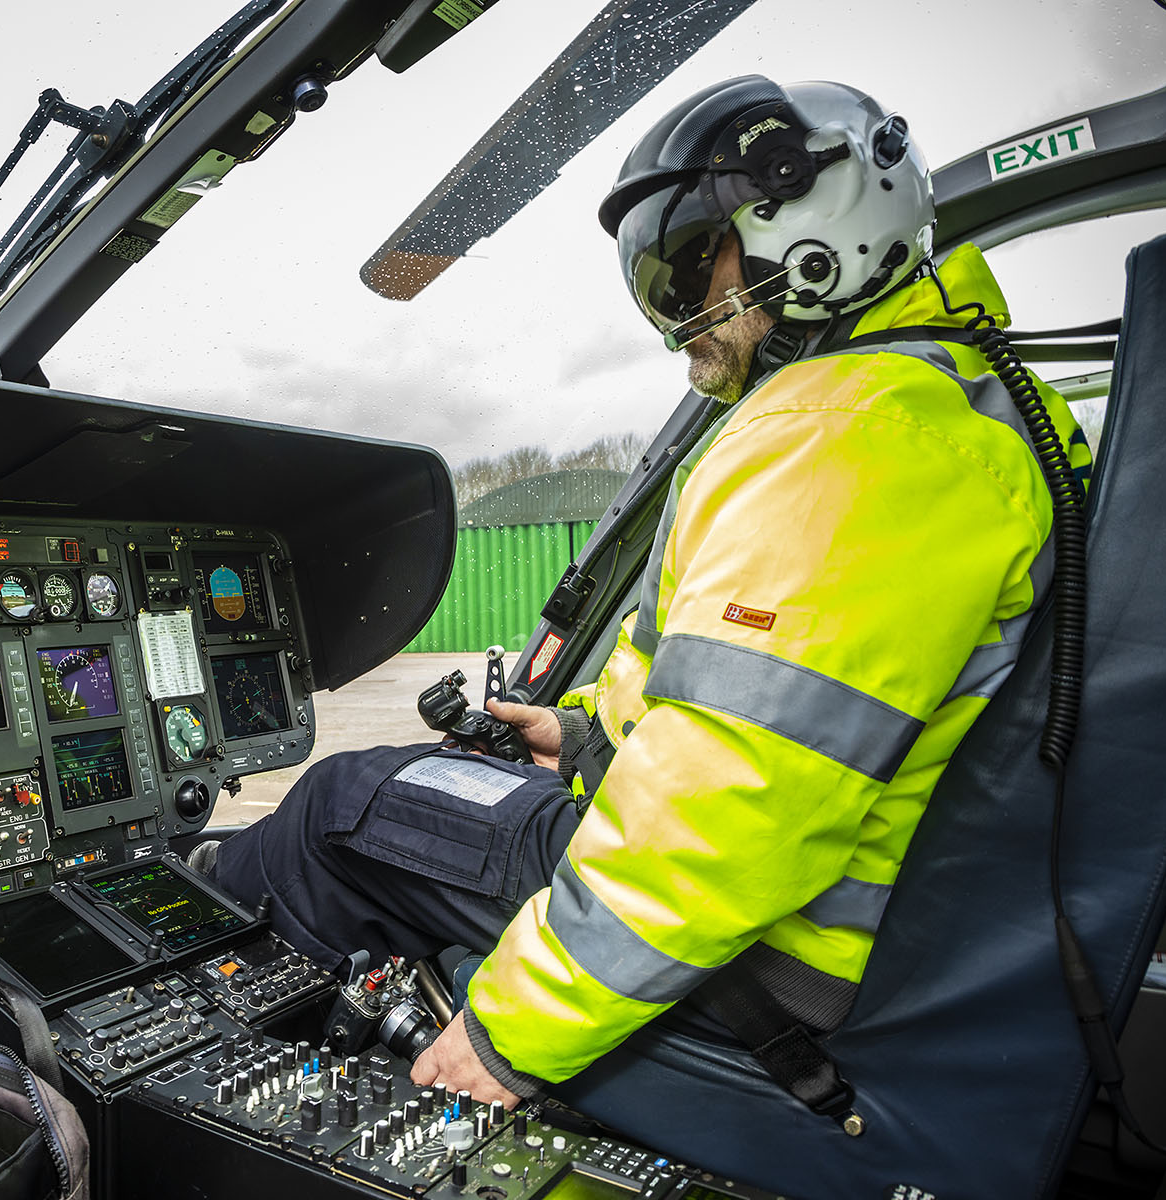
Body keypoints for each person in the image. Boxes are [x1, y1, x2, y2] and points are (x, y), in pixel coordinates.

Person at [199, 76, 1093, 1109]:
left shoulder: (850, 440)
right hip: (835, 902)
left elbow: (732, 803)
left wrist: (512, 1028)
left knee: (337, 805)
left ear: (817, 231)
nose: (676, 318)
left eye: (688, 268)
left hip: (770, 948)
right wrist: (585, 738)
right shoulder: (948, 406)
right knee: (407, 785)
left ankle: (196, 1053)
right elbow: (784, 721)